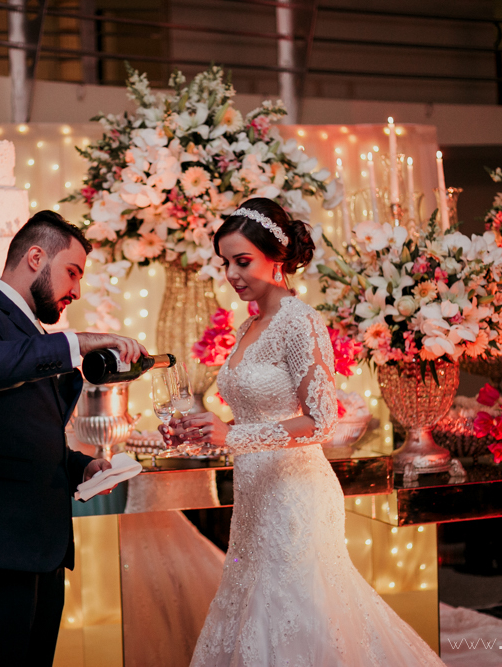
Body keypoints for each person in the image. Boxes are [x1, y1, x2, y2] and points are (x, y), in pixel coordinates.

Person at [165, 198, 446, 666]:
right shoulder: (250, 324)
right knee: (252, 609)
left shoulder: (300, 321)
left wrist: (233, 438)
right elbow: (256, 416)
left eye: (242, 261)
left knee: (302, 613)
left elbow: (321, 420)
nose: (232, 274)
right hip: (255, 493)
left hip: (295, 494)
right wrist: (205, 431)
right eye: (225, 263)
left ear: (276, 259)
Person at [0, 210, 146, 666]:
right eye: (73, 272)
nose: (77, 290)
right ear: (35, 257)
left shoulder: (31, 336)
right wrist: (77, 341)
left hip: (38, 550)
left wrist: (80, 466)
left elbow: (21, 432)